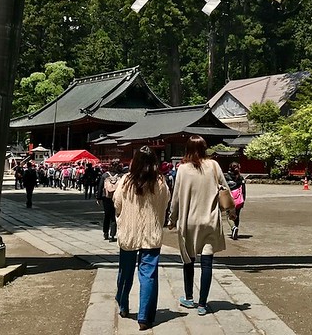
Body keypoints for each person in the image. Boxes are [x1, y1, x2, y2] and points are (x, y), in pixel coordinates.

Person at [168, 135, 234, 316]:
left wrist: (172, 219)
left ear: (187, 149)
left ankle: (189, 298)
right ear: (204, 148)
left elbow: (176, 198)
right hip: (209, 220)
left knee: (188, 260)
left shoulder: (182, 169)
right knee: (207, 262)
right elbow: (225, 189)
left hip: (189, 221)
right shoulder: (214, 166)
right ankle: (203, 304)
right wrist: (231, 211)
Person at [113, 146, 170, 331]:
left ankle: (123, 304)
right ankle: (144, 316)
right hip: (151, 233)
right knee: (148, 275)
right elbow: (165, 202)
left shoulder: (126, 180)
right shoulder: (160, 182)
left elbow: (117, 203)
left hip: (129, 232)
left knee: (125, 271)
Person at [97, 159, 123, 241]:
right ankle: (112, 235)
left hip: (106, 198)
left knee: (107, 215)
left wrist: (98, 198)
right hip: (117, 197)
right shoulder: (120, 176)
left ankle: (105, 232)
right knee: (114, 216)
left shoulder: (105, 175)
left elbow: (100, 187)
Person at [224, 162, 246, 240]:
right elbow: (243, 190)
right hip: (239, 199)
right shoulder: (240, 178)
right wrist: (243, 199)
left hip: (229, 198)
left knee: (229, 215)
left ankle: (233, 228)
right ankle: (236, 228)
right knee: (237, 215)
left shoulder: (226, 177)